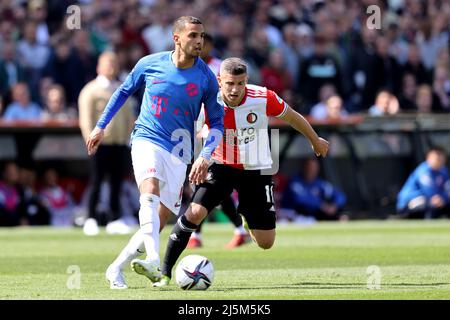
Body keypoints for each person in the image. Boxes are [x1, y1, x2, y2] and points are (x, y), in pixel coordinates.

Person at [153, 57, 329, 287]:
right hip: (220, 164)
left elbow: (293, 117)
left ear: (247, 81)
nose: (235, 89)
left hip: (256, 169)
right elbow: (183, 127)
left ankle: (246, 216)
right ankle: (164, 272)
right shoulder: (206, 100)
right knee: (194, 213)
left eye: (240, 83)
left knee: (266, 243)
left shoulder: (263, 97)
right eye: (230, 84)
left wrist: (315, 141)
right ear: (219, 81)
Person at [85, 16, 224, 289]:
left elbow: (217, 123)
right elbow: (123, 92)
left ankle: (116, 269)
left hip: (180, 150)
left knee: (158, 221)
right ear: (177, 38)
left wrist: (205, 155)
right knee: (149, 190)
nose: (199, 41)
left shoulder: (206, 77)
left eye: (202, 36)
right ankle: (152, 258)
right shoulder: (150, 64)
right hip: (146, 138)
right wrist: (100, 126)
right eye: (193, 35)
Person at [188, 33, 250, 249]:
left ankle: (197, 235)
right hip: (195, 130)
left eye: (202, 43)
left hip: (215, 132)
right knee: (206, 185)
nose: (198, 46)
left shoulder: (217, 68)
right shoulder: (188, 66)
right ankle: (237, 229)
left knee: (208, 182)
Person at [79, 52, 135, 236]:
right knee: (96, 181)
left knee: (116, 183)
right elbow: (86, 119)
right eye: (107, 63)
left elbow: (128, 116)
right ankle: (91, 218)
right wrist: (90, 139)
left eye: (114, 62)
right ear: (99, 66)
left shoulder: (121, 88)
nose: (111, 66)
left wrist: (128, 138)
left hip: (119, 143)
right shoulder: (91, 90)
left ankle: (114, 218)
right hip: (100, 144)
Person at [281, 158, 347, 222]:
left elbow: (339, 195)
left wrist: (334, 206)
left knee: (341, 217)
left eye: (313, 168)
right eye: (309, 167)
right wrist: (321, 205)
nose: (311, 170)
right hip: (294, 215)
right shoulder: (295, 182)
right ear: (304, 168)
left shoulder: (320, 183)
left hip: (313, 216)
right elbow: (300, 199)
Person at [397, 147, 450, 219]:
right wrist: (438, 199)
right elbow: (429, 192)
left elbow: (448, 190)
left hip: (432, 202)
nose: (439, 160)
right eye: (436, 158)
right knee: (425, 201)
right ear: (428, 158)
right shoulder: (423, 170)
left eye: (441, 157)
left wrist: (443, 198)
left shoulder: (443, 171)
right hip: (408, 202)